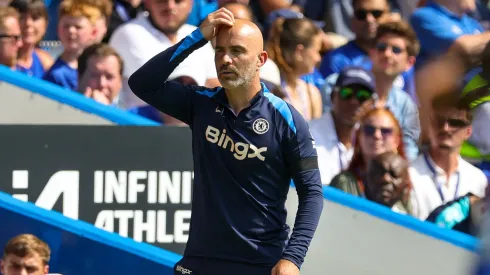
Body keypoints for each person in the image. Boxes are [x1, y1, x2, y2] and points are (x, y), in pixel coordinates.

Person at [128, 8, 323, 275]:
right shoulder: (201, 103)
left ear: (260, 60)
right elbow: (142, 83)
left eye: (237, 51)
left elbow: (312, 194)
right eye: (219, 50)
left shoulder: (286, 119)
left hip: (260, 264)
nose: (226, 59)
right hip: (200, 262)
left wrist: (293, 258)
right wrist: (197, 36)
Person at [109, 0, 219, 110]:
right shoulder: (128, 33)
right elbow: (167, 95)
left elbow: (216, 88)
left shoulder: (196, 33)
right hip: (143, 125)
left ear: (190, 4)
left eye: (178, 1)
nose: (170, 6)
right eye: (161, 0)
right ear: (147, 3)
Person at [410, 92, 488, 220]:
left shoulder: (478, 180)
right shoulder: (409, 174)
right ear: (430, 125)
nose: (446, 128)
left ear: (468, 132)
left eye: (455, 123)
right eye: (439, 121)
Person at [309, 66, 375, 185]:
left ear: (372, 103)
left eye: (363, 96)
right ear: (333, 96)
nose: (354, 101)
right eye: (347, 93)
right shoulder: (308, 135)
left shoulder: (372, 137)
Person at [42, 0, 98, 91]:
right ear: (58, 29)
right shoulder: (56, 74)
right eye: (66, 26)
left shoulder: (96, 67)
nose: (71, 31)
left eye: (78, 27)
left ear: (93, 32)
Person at [9, 0, 53, 78]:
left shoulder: (45, 61)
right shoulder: (4, 61)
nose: (28, 23)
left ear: (46, 24)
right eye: (21, 17)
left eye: (35, 18)